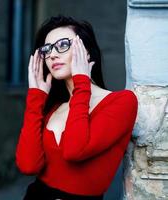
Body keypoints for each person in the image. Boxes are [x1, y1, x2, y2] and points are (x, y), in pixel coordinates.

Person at [15, 15, 138, 200]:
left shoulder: (122, 102)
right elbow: (28, 165)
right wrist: (35, 98)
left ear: (86, 51)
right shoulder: (55, 108)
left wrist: (82, 84)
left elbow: (74, 150)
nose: (52, 55)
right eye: (46, 50)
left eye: (63, 45)